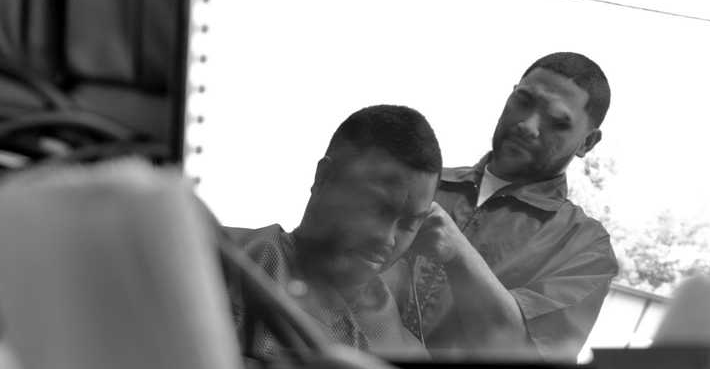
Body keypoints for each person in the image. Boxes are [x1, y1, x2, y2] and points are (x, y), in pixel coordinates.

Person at [223, 105, 526, 355]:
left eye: (409, 223)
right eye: (373, 209)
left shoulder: (411, 355)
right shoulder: (219, 260)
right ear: (324, 177)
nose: (386, 238)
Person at [402, 52, 619, 358]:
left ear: (587, 142)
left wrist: (458, 253)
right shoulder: (419, 182)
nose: (528, 125)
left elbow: (526, 360)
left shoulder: (586, 248)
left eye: (558, 122)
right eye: (524, 101)